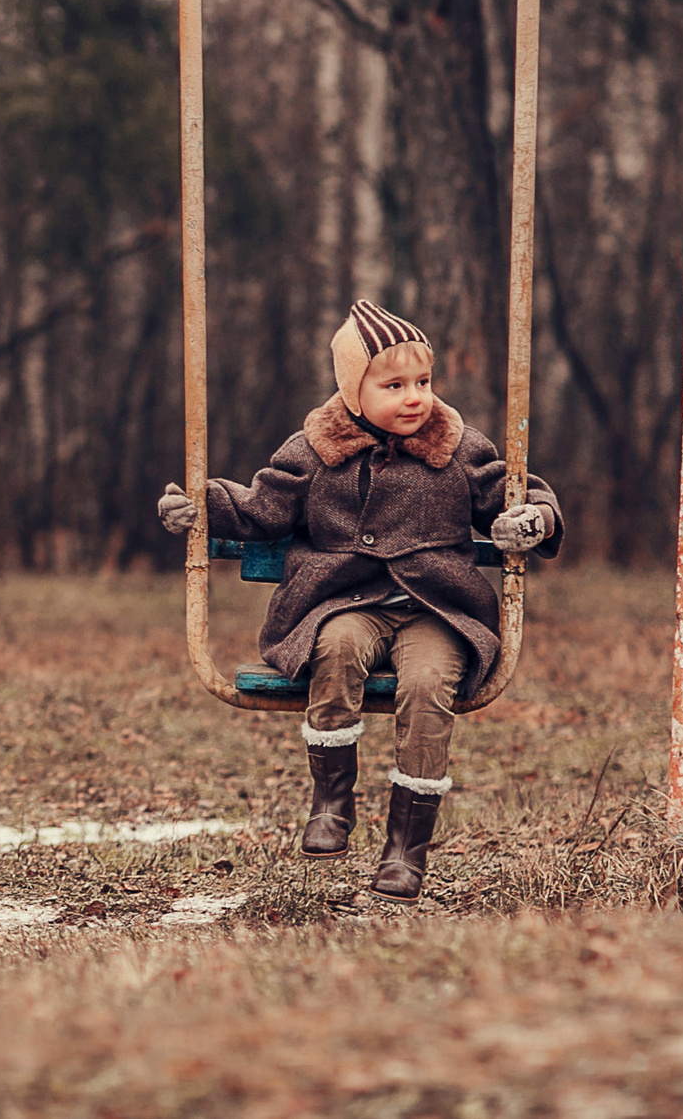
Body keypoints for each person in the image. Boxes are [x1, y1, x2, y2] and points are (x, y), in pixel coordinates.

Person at [157, 301, 561, 901]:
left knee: (427, 686)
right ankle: (332, 802)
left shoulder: (457, 448)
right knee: (338, 648)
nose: (414, 397)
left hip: (436, 610)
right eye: (393, 385)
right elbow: (262, 507)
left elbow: (518, 492)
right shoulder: (316, 448)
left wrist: (533, 519)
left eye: (422, 382)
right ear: (353, 389)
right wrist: (203, 504)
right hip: (344, 601)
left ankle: (405, 849)